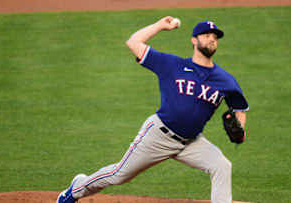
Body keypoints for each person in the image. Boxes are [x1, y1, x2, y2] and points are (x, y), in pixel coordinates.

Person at [57, 16, 249, 203]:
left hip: (191, 142)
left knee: (222, 165)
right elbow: (133, 42)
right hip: (158, 136)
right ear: (193, 40)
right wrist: (159, 26)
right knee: (119, 175)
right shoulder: (172, 65)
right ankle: (76, 189)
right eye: (206, 35)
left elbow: (240, 107)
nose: (211, 39)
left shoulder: (226, 81)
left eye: (214, 37)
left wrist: (240, 130)